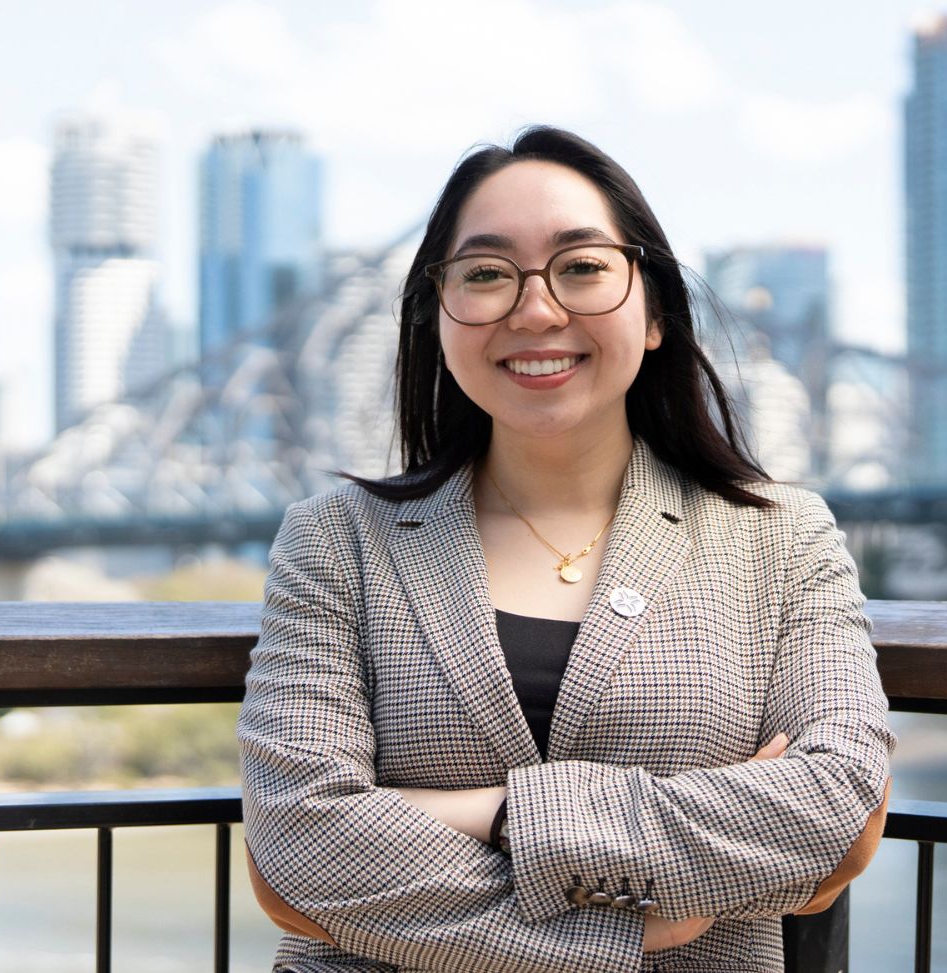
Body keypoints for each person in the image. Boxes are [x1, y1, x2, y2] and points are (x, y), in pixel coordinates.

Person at [237, 126, 894, 972]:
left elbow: (839, 815)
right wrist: (631, 922)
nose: (536, 309)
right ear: (438, 316)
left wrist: (478, 811)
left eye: (582, 267)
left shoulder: (781, 536)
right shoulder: (337, 541)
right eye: (485, 274)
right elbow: (293, 851)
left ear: (654, 311)